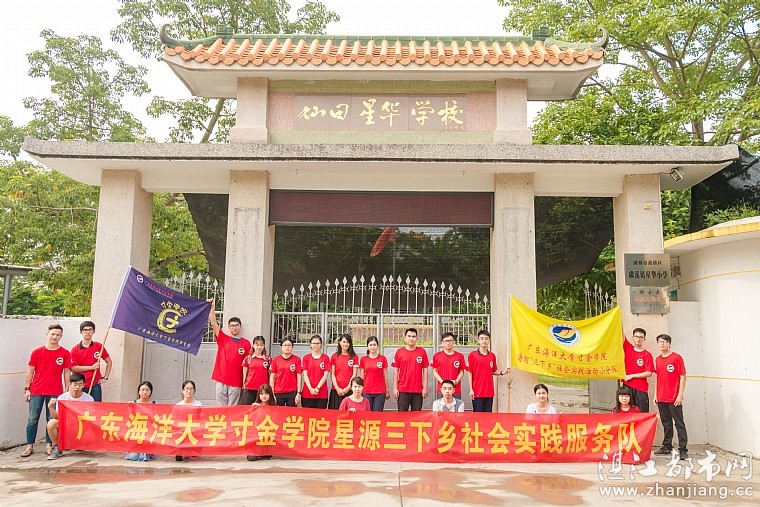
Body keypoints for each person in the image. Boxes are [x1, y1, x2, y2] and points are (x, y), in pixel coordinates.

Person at [21, 324, 72, 458]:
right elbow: (30, 371)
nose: (55, 337)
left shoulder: (65, 353)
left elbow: (67, 372)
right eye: (52, 334)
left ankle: (49, 445)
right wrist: (27, 389)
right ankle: (29, 446)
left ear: (61, 336)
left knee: (51, 419)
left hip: (55, 391)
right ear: (47, 334)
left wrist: (67, 390)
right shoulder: (37, 352)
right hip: (36, 390)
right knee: (33, 419)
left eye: (58, 335)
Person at [207, 298, 252, 406]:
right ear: (228, 327)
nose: (234, 328)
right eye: (232, 326)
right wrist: (211, 307)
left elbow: (247, 365)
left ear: (240, 327)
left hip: (236, 381)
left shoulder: (246, 343)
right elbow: (213, 324)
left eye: (236, 325)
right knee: (221, 407)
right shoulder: (223, 338)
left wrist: (245, 381)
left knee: (233, 408)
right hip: (221, 378)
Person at [653, 333, 688, 460]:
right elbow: (658, 377)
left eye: (665, 341)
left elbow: (683, 376)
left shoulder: (676, 358)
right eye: (660, 342)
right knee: (666, 423)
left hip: (674, 397)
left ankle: (683, 449)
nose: (662, 344)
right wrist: (655, 394)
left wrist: (680, 394)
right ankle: (667, 446)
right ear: (658, 344)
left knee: (679, 423)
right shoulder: (657, 359)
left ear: (669, 343)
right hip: (661, 397)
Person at [46, 372, 95, 460]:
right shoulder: (62, 398)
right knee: (51, 423)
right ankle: (56, 447)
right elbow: (57, 417)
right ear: (69, 384)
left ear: (83, 385)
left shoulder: (89, 398)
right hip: (66, 425)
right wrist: (50, 407)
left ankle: (79, 443)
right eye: (75, 384)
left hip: (81, 426)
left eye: (80, 384)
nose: (77, 387)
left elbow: (91, 417)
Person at [69, 320, 112, 402]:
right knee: (80, 407)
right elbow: (73, 368)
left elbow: (109, 362)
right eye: (85, 330)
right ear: (81, 332)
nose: (88, 332)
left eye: (90, 330)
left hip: (95, 384)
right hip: (80, 385)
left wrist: (106, 377)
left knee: (96, 407)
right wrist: (91, 367)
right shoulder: (75, 349)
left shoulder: (99, 346)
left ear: (93, 332)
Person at [467, 330, 508, 412]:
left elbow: (492, 371)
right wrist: (471, 389)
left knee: (488, 416)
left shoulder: (492, 356)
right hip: (477, 391)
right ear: (478, 340)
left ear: (489, 340)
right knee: (478, 415)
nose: (484, 341)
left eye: (486, 339)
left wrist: (502, 373)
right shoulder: (472, 355)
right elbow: (470, 372)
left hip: (489, 391)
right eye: (481, 338)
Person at [392, 328, 429, 412]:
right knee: (402, 415)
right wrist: (395, 387)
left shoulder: (422, 352)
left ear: (417, 338)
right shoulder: (399, 352)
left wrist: (425, 387)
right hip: (402, 389)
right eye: (409, 336)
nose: (411, 338)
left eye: (413, 336)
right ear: (405, 338)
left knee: (416, 416)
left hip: (417, 389)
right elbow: (396, 370)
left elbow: (425, 370)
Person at [622, 327, 654, 412]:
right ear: (633, 337)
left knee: (642, 412)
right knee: (628, 413)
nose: (638, 339)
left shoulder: (647, 354)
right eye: (636, 336)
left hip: (641, 388)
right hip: (627, 387)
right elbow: (621, 334)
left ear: (644, 339)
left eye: (641, 337)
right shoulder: (628, 348)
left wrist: (632, 376)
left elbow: (649, 373)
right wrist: (617, 319)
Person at [125, 381, 157, 461]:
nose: (145, 392)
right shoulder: (133, 403)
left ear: (150, 392)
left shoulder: (154, 404)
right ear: (139, 391)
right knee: (134, 456)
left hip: (149, 433)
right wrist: (130, 407)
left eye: (147, 390)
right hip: (136, 432)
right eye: (142, 390)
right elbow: (128, 418)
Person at [431, 332, 466, 400]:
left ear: (454, 342)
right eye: (446, 341)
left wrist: (456, 381)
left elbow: (461, 372)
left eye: (450, 341)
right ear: (442, 342)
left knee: (456, 406)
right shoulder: (437, 356)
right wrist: (442, 382)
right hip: (441, 389)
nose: (448, 343)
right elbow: (435, 371)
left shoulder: (459, 356)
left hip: (455, 389)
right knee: (441, 406)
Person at [269, 338, 302, 407]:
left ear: (292, 347)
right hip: (278, 392)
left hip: (292, 392)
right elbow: (272, 377)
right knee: (278, 412)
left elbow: (299, 377)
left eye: (289, 345)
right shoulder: (275, 360)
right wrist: (272, 393)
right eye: (285, 345)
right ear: (281, 347)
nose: (287, 347)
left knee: (291, 413)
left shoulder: (297, 360)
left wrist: (298, 393)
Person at [359, 336, 390, 411]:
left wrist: (387, 390)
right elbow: (362, 376)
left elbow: (385, 376)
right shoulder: (363, 359)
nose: (372, 347)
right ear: (367, 346)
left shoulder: (382, 359)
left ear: (377, 346)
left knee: (377, 414)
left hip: (380, 391)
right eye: (370, 345)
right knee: (368, 413)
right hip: (367, 391)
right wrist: (360, 390)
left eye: (374, 345)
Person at [329, 334, 359, 409]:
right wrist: (337, 388)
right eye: (344, 342)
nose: (346, 344)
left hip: (349, 389)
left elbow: (354, 374)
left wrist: (348, 388)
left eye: (348, 342)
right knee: (336, 412)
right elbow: (332, 374)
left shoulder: (354, 357)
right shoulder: (334, 356)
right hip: (336, 390)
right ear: (340, 343)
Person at [301, 334, 331, 409]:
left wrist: (317, 388)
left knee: (320, 415)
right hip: (308, 392)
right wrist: (310, 388)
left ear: (321, 344)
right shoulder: (306, 358)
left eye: (318, 343)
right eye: (314, 343)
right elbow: (305, 375)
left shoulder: (325, 358)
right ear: (310, 344)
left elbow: (325, 375)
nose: (316, 345)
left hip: (322, 392)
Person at [175, 380, 202, 462]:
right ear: (182, 390)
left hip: (194, 430)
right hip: (181, 431)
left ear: (194, 391)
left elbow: (201, 419)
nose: (189, 391)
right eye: (187, 389)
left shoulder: (198, 404)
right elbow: (174, 420)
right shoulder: (178, 405)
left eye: (191, 389)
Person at [248, 384, 275, 461]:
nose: (264, 396)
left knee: (268, 455)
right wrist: (252, 409)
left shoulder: (275, 407)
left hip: (269, 435)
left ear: (270, 394)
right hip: (257, 435)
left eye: (266, 394)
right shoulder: (256, 406)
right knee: (251, 458)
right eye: (261, 394)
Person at [242, 336, 270, 405]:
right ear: (253, 345)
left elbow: (270, 374)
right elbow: (244, 373)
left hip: (263, 390)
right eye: (257, 345)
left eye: (261, 345)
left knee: (262, 408)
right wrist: (244, 384)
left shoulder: (268, 359)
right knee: (248, 408)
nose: (259, 347)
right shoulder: (248, 358)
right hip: (249, 387)